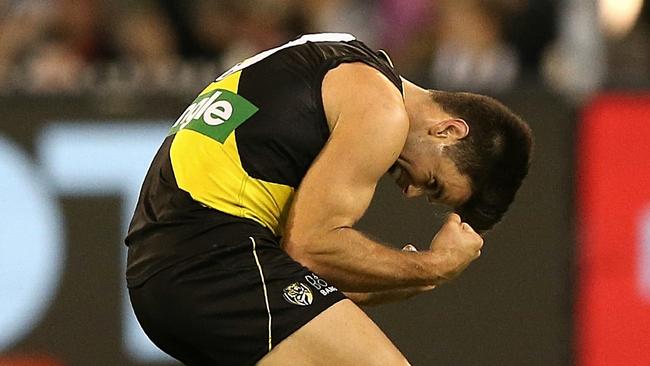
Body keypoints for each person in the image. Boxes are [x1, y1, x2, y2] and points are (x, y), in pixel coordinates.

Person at [125, 33, 533, 365]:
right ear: (448, 131)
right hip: (213, 260)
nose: (410, 191)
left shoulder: (346, 59)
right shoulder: (381, 108)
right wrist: (434, 266)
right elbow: (311, 249)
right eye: (433, 183)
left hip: (164, 272)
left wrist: (409, 276)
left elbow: (302, 274)